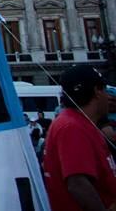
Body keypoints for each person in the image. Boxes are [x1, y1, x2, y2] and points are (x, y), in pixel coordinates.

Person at [43, 65, 116, 210]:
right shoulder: (72, 127)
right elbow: (78, 183)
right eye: (104, 89)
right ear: (97, 91)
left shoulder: (79, 123)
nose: (109, 97)